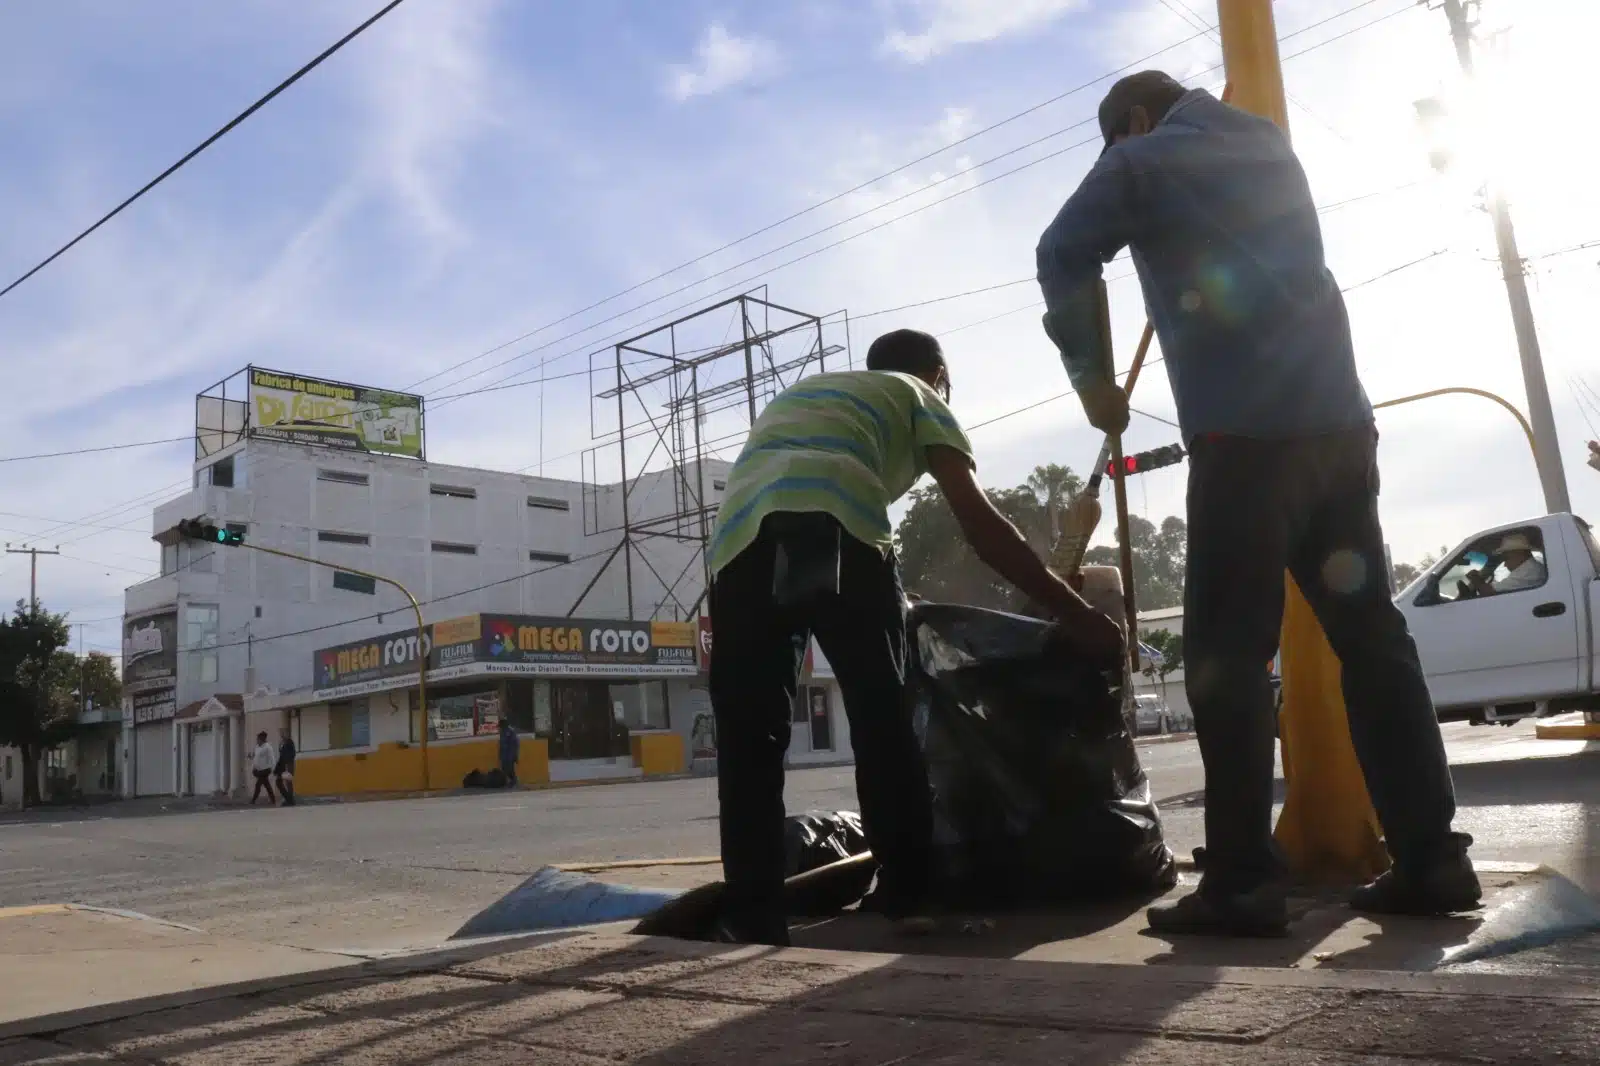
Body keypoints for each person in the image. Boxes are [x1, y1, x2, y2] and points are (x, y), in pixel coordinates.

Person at [1035, 71, 1477, 936]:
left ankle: (1241, 882)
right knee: (1374, 641)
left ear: (1132, 120)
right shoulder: (1271, 144)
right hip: (1341, 432)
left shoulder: (1141, 161)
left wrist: (1092, 383)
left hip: (1245, 443)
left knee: (1228, 657)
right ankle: (1434, 859)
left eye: (1119, 139)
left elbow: (1062, 252)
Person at [707, 328, 1124, 947]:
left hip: (737, 546)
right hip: (836, 521)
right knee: (882, 714)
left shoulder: (810, 394)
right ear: (937, 374)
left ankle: (753, 914)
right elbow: (981, 524)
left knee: (750, 735)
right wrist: (1077, 615)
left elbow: (781, 486)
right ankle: (906, 894)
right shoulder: (916, 393)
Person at [249, 732, 277, 806]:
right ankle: (273, 800)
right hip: (258, 770)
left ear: (262, 739)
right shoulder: (257, 747)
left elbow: (272, 758)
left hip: (265, 769)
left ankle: (253, 800)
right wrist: (251, 756)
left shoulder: (268, 747)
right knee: (267, 784)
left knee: (258, 785)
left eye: (258, 739)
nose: (257, 740)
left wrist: (273, 769)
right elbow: (255, 756)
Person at [274, 731, 297, 807]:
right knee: (279, 782)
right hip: (283, 766)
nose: (282, 735)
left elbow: (292, 754)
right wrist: (277, 769)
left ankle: (290, 800)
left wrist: (287, 764)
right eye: (281, 734)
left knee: (288, 783)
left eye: (284, 733)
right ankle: (289, 799)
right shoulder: (283, 744)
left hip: (288, 766)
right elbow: (281, 757)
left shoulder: (289, 743)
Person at [498, 719, 521, 788]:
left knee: (510, 769)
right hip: (504, 754)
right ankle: (511, 781)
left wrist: (515, 755)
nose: (500, 727)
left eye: (500, 726)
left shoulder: (510, 731)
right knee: (504, 768)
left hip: (510, 754)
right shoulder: (502, 732)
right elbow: (501, 744)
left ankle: (514, 781)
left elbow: (516, 744)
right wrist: (500, 754)